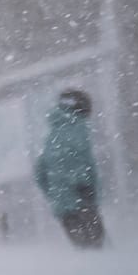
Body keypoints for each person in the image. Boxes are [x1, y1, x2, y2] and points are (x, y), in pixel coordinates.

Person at [34, 89, 107, 249]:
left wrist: (54, 193)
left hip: (62, 205)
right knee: (98, 248)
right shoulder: (80, 128)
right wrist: (90, 192)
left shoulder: (52, 135)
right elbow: (88, 165)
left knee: (83, 248)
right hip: (83, 197)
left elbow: (39, 172)